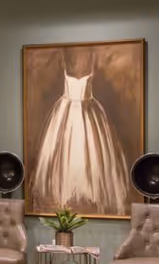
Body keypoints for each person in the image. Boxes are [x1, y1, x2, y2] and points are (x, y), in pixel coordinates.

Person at [30, 49, 129, 216]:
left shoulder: (92, 56)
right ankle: (62, 198)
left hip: (89, 111)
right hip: (65, 111)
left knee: (92, 155)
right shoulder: (64, 56)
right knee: (62, 157)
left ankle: (89, 198)